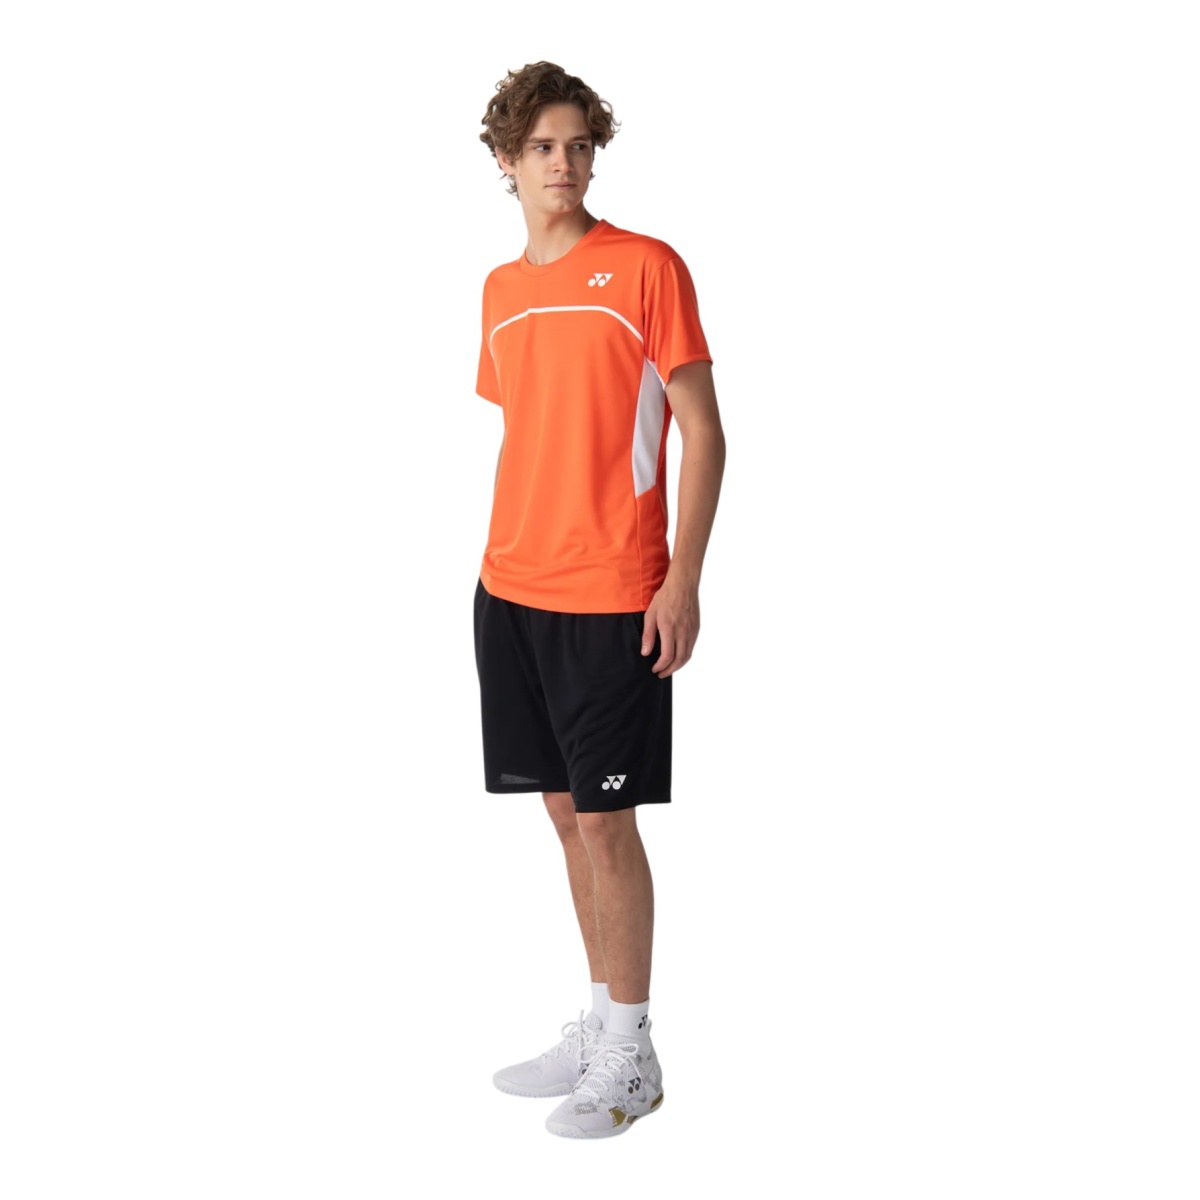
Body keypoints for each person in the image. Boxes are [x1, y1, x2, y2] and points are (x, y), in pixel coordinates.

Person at [472, 61, 726, 1139]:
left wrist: (681, 580)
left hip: (613, 593)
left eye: (579, 145)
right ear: (506, 160)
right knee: (565, 814)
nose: (564, 164)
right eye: (542, 147)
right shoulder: (499, 290)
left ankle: (633, 1052)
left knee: (608, 821)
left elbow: (703, 432)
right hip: (509, 587)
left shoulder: (648, 268)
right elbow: (532, 432)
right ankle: (598, 1021)